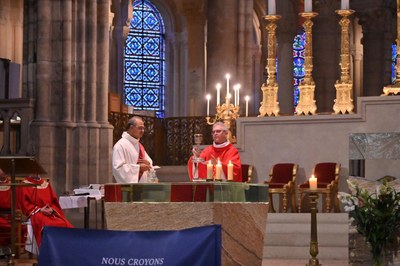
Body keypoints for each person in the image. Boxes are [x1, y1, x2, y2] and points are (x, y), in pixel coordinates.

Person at [17, 175, 73, 250]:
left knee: (64, 223)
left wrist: (51, 209)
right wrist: (40, 209)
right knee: (48, 224)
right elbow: (24, 203)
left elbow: (53, 201)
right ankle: (48, 250)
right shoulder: (25, 184)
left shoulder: (45, 184)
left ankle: (62, 249)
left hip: (49, 211)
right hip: (36, 213)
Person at [112, 116, 154, 183]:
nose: (142, 131)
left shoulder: (139, 146)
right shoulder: (120, 145)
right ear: (131, 128)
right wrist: (138, 168)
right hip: (129, 189)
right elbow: (117, 169)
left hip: (143, 187)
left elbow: (149, 164)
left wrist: (148, 164)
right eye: (140, 128)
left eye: (143, 128)